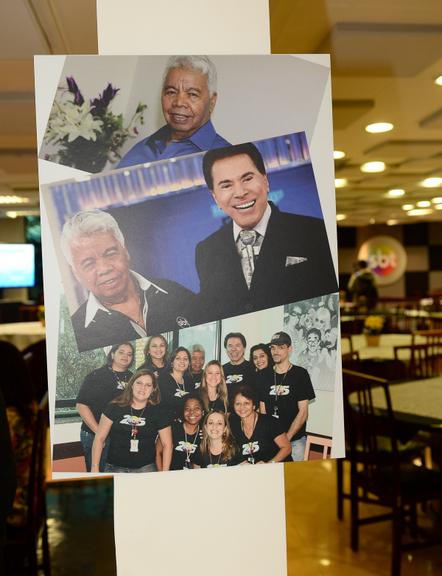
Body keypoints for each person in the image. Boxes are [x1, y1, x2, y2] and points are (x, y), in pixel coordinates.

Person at [195, 142, 338, 321]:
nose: (240, 192)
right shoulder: (206, 250)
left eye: (247, 178)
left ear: (265, 180)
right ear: (215, 197)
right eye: (226, 185)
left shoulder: (316, 232)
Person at [61, 209, 195, 352]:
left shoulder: (174, 292)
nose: (104, 268)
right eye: (89, 263)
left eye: (110, 254)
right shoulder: (76, 333)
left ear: (126, 252)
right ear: (76, 274)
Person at [117, 56, 229, 168]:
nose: (179, 102)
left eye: (192, 94)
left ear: (212, 102)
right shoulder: (143, 147)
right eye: (171, 92)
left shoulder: (227, 160)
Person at [91, 370, 172, 473]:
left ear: (153, 389)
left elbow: (167, 444)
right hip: (115, 467)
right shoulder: (114, 407)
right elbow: (99, 438)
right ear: (132, 385)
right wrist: (94, 467)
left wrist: (165, 472)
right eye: (139, 383)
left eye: (148, 385)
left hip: (146, 468)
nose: (143, 388)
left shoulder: (159, 412)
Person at [76, 342, 135, 472]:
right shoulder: (97, 375)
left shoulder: (133, 378)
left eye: (129, 354)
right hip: (94, 434)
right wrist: (99, 434)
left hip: (119, 437)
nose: (125, 356)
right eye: (121, 352)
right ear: (112, 354)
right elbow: (81, 405)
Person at [258, 332, 315, 461]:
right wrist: (273, 439)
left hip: (295, 442)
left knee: (295, 479)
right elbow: (263, 411)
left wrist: (285, 439)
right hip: (271, 442)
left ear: (290, 349)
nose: (275, 351)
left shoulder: (300, 374)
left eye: (280, 347)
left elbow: (303, 412)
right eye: (273, 347)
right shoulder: (264, 375)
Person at [230, 385, 291, 464]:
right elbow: (234, 453)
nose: (242, 407)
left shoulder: (270, 422)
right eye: (238, 404)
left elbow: (287, 448)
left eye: (246, 403)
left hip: (277, 469)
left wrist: (268, 464)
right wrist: (242, 462)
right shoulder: (234, 427)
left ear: (254, 405)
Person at [160, 395, 204, 470]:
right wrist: (162, 475)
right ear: (183, 412)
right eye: (187, 409)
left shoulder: (204, 434)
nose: (192, 412)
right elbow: (158, 453)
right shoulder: (172, 429)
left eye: (196, 408)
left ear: (203, 412)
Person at [158, 347, 197, 419]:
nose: (182, 361)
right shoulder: (163, 379)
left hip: (185, 420)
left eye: (185, 359)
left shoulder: (190, 381)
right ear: (172, 362)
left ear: (189, 363)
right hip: (167, 420)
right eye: (178, 358)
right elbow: (166, 404)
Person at [222, 332, 256, 408]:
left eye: (238, 345)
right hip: (226, 415)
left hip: (247, 414)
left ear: (244, 348)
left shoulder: (253, 368)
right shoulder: (221, 370)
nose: (233, 349)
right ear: (226, 349)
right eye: (230, 346)